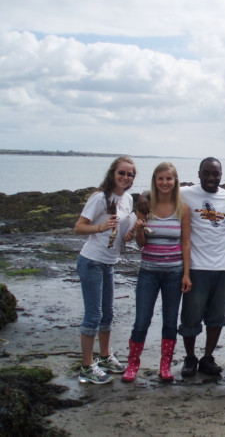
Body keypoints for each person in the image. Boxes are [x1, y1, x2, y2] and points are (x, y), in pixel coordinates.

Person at [139, 157, 225, 376]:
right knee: (190, 316)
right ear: (199, 174)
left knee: (216, 317)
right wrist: (143, 196)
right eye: (207, 173)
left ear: (221, 175)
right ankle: (190, 358)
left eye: (216, 174)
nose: (211, 178)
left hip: (223, 267)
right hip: (196, 267)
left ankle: (207, 357)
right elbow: (160, 189)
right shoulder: (186, 193)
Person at [121, 162, 192, 382]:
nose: (164, 182)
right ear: (155, 181)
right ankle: (132, 365)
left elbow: (186, 243)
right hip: (148, 272)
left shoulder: (183, 209)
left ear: (175, 181)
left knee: (170, 321)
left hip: (174, 273)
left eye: (169, 179)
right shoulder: (145, 206)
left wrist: (186, 274)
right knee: (142, 320)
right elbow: (141, 244)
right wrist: (140, 229)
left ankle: (165, 366)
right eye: (160, 178)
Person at [74, 156, 137, 384]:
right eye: (122, 173)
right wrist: (101, 227)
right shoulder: (99, 198)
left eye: (130, 174)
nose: (126, 178)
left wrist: (128, 234)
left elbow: (121, 232)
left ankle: (105, 355)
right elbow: (79, 227)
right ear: (113, 174)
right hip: (91, 261)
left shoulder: (127, 199)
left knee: (108, 314)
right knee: (93, 314)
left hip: (109, 262)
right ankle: (87, 366)